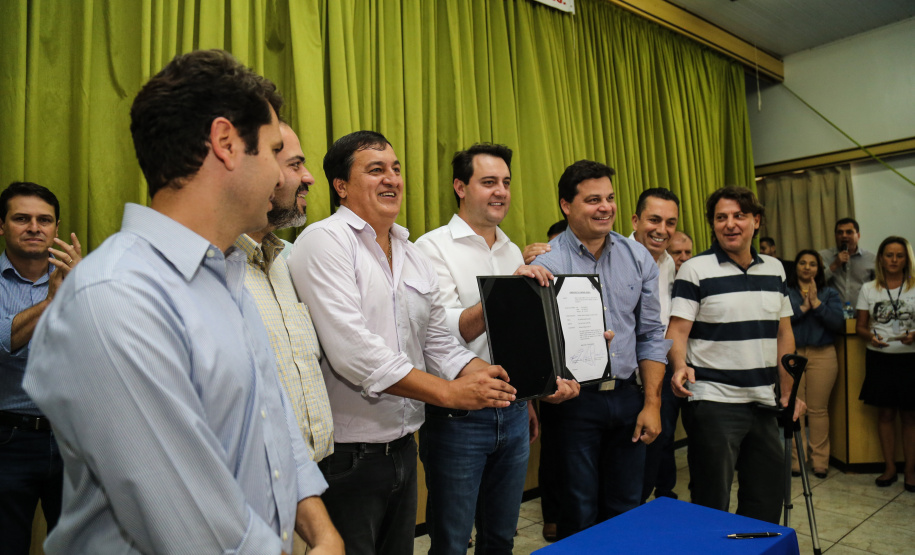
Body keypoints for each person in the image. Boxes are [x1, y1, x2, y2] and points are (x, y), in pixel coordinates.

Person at [22, 49, 342, 554]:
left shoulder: (228, 277)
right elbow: (196, 529)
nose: (286, 177)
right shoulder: (116, 298)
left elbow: (274, 426)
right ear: (226, 144)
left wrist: (324, 534)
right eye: (274, 151)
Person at [287, 131, 519, 555]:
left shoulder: (411, 252)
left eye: (395, 169)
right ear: (341, 186)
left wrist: (492, 378)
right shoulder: (325, 241)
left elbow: (437, 340)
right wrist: (448, 392)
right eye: (376, 170)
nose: (392, 178)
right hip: (348, 455)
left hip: (403, 447)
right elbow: (354, 353)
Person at [414, 143, 579, 554]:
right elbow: (444, 333)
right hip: (458, 417)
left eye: (505, 182)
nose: (501, 191)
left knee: (501, 539)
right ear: (460, 187)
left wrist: (530, 399)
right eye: (488, 182)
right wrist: (506, 294)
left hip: (514, 410)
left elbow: (518, 338)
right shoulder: (430, 248)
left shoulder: (510, 249)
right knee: (452, 543)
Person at [533, 160, 669, 539]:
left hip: (628, 397)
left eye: (609, 198)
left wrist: (652, 404)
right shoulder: (545, 263)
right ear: (566, 205)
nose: (605, 207)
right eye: (593, 200)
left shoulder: (638, 257)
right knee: (578, 511)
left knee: (626, 507)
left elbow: (651, 335)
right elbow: (536, 346)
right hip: (574, 404)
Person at [668, 186, 803, 524]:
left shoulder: (774, 269)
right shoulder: (694, 269)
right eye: (721, 217)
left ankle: (753, 547)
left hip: (764, 400)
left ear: (756, 221)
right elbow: (677, 331)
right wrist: (679, 366)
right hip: (714, 401)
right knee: (711, 500)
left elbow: (784, 333)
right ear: (712, 225)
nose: (730, 224)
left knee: (766, 499)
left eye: (739, 216)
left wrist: (789, 391)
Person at [0, 182, 81, 554]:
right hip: (8, 441)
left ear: (56, 227)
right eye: (22, 218)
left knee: (81, 547)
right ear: (2, 226)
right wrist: (52, 301)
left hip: (73, 441)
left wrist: (87, 290)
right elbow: (5, 343)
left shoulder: (86, 279)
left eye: (44, 220)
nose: (34, 227)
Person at [628, 188, 681, 503]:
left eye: (670, 222)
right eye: (654, 220)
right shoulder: (615, 255)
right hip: (623, 383)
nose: (662, 230)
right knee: (623, 476)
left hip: (659, 378)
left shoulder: (669, 262)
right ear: (635, 220)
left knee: (653, 460)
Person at [855, 236, 915, 492]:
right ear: (881, 258)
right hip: (879, 358)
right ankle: (889, 468)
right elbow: (860, 326)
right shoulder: (869, 288)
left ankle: (911, 471)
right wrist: (870, 337)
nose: (894, 260)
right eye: (889, 255)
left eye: (899, 255)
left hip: (910, 359)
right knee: (886, 414)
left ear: (907, 259)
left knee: (910, 416)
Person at [787, 249, 843, 479]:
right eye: (802, 262)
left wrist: (817, 304)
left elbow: (838, 323)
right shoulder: (786, 292)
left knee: (818, 410)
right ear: (796, 267)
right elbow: (779, 321)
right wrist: (803, 308)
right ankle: (796, 461)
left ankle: (820, 462)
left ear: (819, 269)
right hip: (792, 355)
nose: (807, 267)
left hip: (823, 355)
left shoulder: (829, 293)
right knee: (794, 409)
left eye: (812, 264)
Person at [820, 218, 876, 305]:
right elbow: (815, 282)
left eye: (849, 232)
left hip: (861, 311)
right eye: (840, 232)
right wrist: (834, 265)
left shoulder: (871, 258)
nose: (844, 236)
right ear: (835, 236)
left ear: (858, 236)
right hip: (832, 311)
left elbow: (878, 287)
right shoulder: (823, 256)